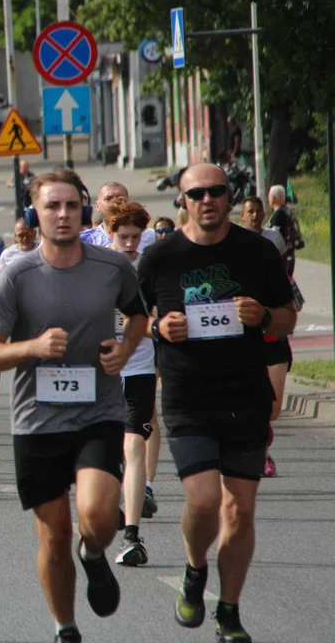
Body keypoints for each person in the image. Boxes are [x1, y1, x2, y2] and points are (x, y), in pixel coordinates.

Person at [0, 168, 148, 643]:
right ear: (36, 213)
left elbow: (138, 317)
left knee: (96, 515)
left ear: (84, 209)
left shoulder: (112, 267)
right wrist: (30, 348)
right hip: (38, 420)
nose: (63, 214)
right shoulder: (17, 274)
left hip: (99, 412)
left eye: (71, 205)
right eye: (52, 206)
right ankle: (65, 628)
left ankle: (93, 553)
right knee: (52, 533)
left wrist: (126, 349)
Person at [140, 164, 297, 642]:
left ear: (230, 198)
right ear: (182, 201)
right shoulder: (160, 257)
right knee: (205, 500)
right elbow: (136, 316)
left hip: (246, 394)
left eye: (217, 192)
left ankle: (229, 610)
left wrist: (267, 315)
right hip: (189, 395)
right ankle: (194, 568)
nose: (207, 199)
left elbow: (288, 317)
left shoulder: (258, 252)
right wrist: (157, 328)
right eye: (197, 193)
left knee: (240, 511)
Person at [102, 200, 158, 567]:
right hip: (101, 369)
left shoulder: (150, 266)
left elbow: (160, 316)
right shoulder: (94, 265)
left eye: (137, 237)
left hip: (139, 365)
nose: (131, 244)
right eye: (124, 237)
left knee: (134, 445)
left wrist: (146, 323)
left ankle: (133, 536)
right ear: (110, 233)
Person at [241, 195, 294, 478]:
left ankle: (261, 440)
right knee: (254, 404)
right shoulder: (235, 269)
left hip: (274, 342)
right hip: (248, 345)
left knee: (272, 410)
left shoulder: (277, 261)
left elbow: (293, 304)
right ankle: (262, 455)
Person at [80, 182, 156, 250]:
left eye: (121, 198)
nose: (115, 202)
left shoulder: (150, 236)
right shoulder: (85, 240)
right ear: (97, 206)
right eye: (108, 199)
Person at [266, 184, 302, 276]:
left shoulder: (279, 215)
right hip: (290, 254)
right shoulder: (288, 211)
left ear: (273, 198)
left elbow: (275, 238)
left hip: (283, 257)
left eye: (269, 196)